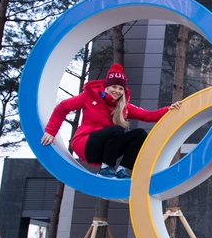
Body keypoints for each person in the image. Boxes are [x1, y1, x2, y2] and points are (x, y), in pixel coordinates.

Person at [41, 63, 183, 179]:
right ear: (106, 86)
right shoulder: (89, 97)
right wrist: (50, 132)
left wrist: (168, 109)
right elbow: (62, 108)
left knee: (139, 134)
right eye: (114, 87)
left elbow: (148, 116)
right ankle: (105, 170)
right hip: (86, 144)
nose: (117, 91)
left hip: (106, 149)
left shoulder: (123, 107)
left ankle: (121, 170)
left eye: (120, 88)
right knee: (117, 130)